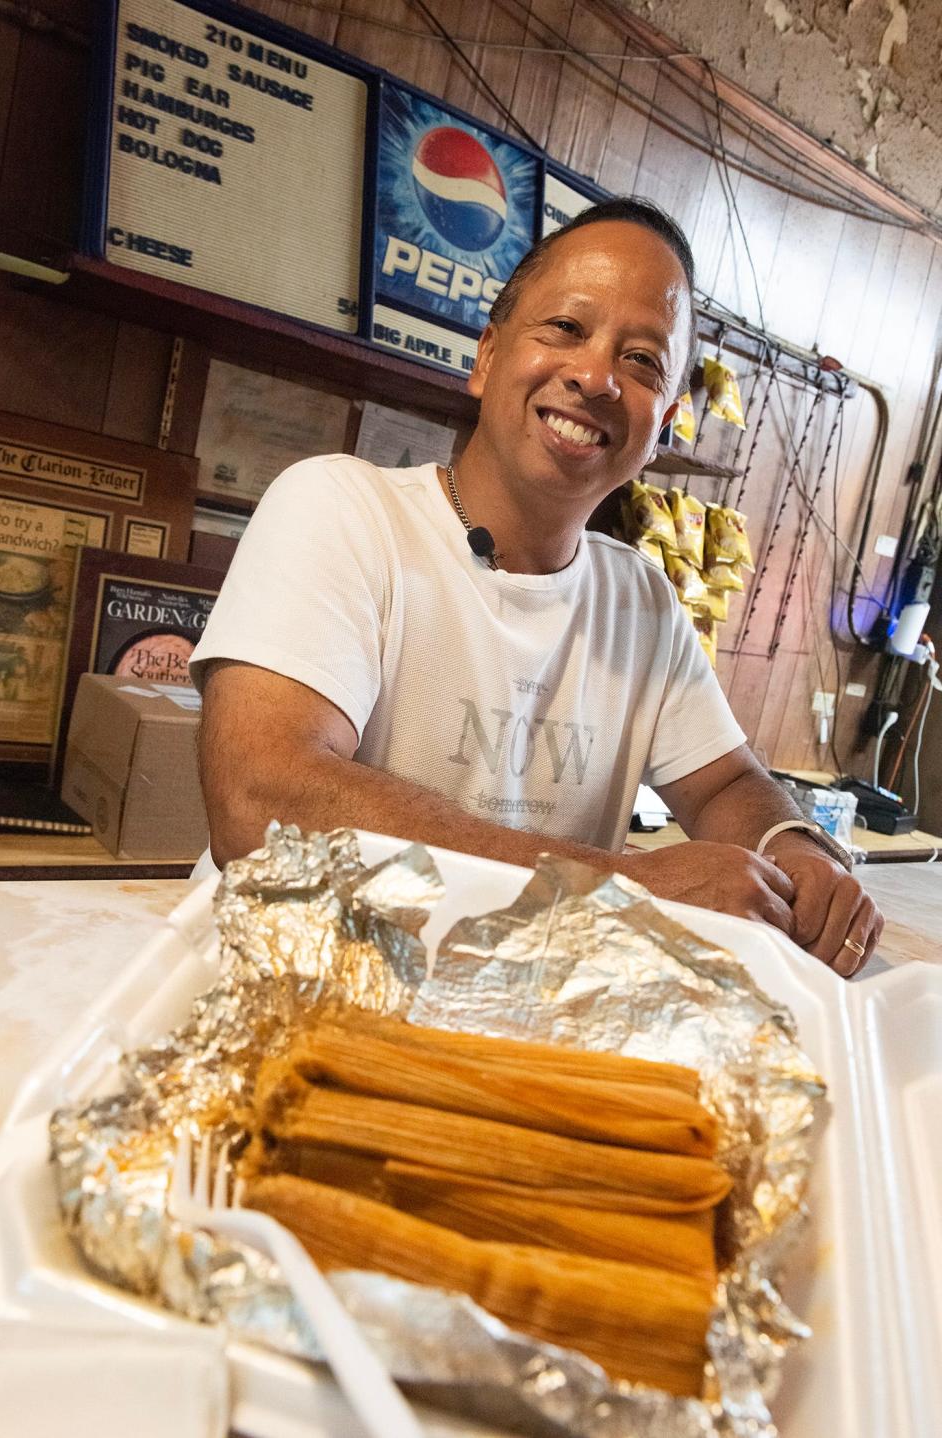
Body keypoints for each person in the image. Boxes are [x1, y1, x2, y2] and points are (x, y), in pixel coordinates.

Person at [191, 196, 882, 977]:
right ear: (486, 357)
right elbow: (262, 802)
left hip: (504, 1014)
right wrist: (620, 886)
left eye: (643, 361)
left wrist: (792, 848)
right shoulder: (341, 509)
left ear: (664, 426)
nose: (596, 378)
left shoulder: (642, 603)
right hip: (279, 991)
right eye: (566, 329)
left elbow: (727, 782)